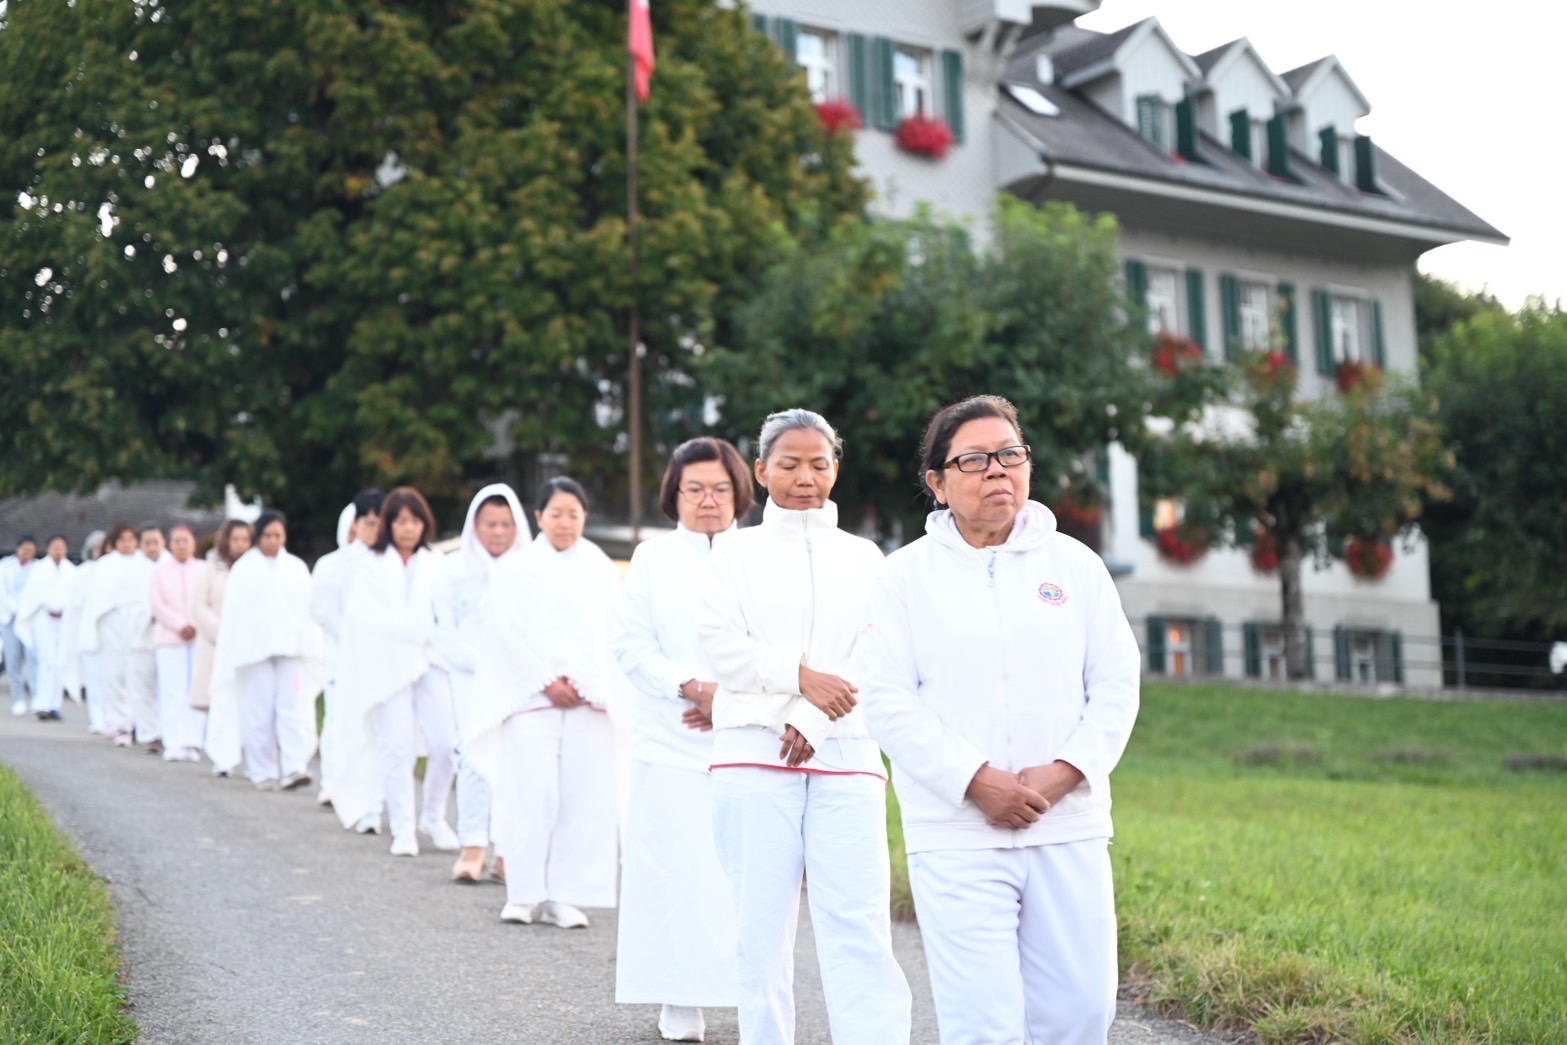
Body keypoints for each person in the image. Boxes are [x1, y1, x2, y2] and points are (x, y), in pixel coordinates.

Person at [858, 395, 1142, 1045]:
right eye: (975, 459)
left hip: (1063, 823)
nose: (997, 471)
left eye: (1009, 454)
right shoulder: (903, 578)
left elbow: (1115, 683)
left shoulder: (1075, 566)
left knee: (1080, 1012)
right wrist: (975, 779)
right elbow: (886, 698)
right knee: (981, 1023)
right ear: (936, 482)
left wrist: (1065, 772)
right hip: (957, 832)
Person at [698, 409, 911, 1045]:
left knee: (860, 920)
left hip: (846, 752)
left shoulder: (865, 556)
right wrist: (798, 678)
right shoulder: (733, 551)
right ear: (761, 471)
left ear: (836, 470)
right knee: (760, 928)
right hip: (753, 752)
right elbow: (719, 645)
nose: (804, 477)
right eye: (788, 465)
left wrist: (815, 712)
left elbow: (877, 650)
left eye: (819, 464)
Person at [613, 438, 751, 1043]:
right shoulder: (653, 558)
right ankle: (680, 998)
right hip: (671, 734)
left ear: (739, 492)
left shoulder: (757, 555)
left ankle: (753, 996)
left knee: (743, 874)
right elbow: (631, 645)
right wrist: (692, 689)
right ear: (674, 494)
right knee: (674, 868)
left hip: (749, 734)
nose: (708, 501)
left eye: (720, 489)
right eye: (694, 489)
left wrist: (732, 702)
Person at [468, 477, 627, 930]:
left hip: (587, 701)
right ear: (538, 517)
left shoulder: (599, 567)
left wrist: (585, 683)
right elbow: (505, 634)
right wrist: (547, 680)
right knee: (531, 794)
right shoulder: (517, 569)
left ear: (584, 517)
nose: (565, 522)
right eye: (556, 513)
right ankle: (523, 892)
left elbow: (613, 634)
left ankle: (567, 895)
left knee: (584, 799)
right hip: (530, 698)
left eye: (574, 514)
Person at [331, 487, 459, 857]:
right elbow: (363, 618)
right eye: (400, 520)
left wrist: (430, 640)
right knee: (397, 747)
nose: (407, 528)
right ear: (389, 523)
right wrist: (405, 635)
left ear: (425, 524)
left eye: (414, 520)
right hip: (387, 666)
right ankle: (403, 827)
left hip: (431, 661)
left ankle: (433, 816)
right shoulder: (370, 563)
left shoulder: (436, 563)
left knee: (445, 744)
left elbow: (446, 614)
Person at [433, 483, 529, 882]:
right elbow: (445, 630)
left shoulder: (530, 567)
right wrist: (483, 664)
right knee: (473, 755)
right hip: (468, 677)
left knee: (515, 761)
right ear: (475, 525)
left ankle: (508, 851)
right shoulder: (452, 568)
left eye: (506, 524)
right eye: (490, 524)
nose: (498, 532)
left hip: (519, 679)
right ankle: (473, 846)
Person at [205, 510, 322, 789]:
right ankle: (263, 770)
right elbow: (236, 614)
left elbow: (308, 609)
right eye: (267, 535)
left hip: (292, 649)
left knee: (292, 709)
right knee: (258, 713)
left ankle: (295, 767)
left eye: (278, 535)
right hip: (252, 652)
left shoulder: (295, 567)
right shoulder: (244, 569)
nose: (272, 541)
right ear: (258, 537)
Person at [311, 489, 383, 811]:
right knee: (338, 721)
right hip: (344, 656)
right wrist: (357, 648)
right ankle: (331, 783)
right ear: (356, 524)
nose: (375, 530)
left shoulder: (390, 563)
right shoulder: (332, 565)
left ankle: (372, 789)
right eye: (369, 523)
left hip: (382, 660)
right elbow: (327, 614)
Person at [190, 520, 252, 772]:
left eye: (245, 540)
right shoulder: (210, 569)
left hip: (248, 647)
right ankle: (222, 757)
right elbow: (199, 606)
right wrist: (223, 633)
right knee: (220, 699)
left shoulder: (253, 570)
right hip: (216, 643)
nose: (240, 545)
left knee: (248, 703)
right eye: (235, 539)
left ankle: (252, 758)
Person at [82, 524, 152, 747]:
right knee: (114, 674)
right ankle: (119, 721)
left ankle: (139, 723)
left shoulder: (146, 564)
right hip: (111, 623)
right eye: (122, 539)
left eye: (131, 539)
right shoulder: (105, 565)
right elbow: (97, 599)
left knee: (137, 674)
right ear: (114, 542)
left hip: (138, 625)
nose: (127, 544)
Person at [150, 523, 210, 762]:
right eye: (176, 541)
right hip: (169, 639)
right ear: (169, 544)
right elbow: (157, 604)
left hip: (199, 638)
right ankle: (173, 741)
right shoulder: (160, 571)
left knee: (196, 691)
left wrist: (195, 624)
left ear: (193, 543)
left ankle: (193, 742)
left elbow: (208, 601)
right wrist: (179, 625)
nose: (181, 545)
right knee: (172, 691)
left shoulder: (204, 570)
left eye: (185, 540)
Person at [15, 535, 78, 721]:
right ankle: (42, 703)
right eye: (55, 547)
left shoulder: (72, 571)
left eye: (61, 548)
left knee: (60, 661)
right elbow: (33, 596)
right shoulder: (40, 569)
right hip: (45, 618)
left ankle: (54, 704)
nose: (58, 551)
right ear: (49, 549)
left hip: (64, 620)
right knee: (46, 661)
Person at [61, 531, 108, 733]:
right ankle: (97, 719)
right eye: (97, 548)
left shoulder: (114, 570)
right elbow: (76, 604)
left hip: (111, 633)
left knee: (110, 680)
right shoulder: (84, 572)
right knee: (94, 679)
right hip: (88, 631)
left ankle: (113, 719)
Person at [128, 524, 166, 753]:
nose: (152, 548)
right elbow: (127, 604)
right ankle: (149, 733)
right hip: (140, 637)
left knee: (169, 689)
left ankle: (166, 731)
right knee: (142, 689)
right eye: (147, 543)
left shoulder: (171, 566)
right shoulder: (133, 569)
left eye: (156, 542)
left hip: (169, 636)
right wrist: (150, 613)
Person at [2, 534, 39, 714]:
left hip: (31, 619)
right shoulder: (5, 567)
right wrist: (16, 609)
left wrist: (27, 611)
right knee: (13, 659)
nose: (27, 554)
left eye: (31, 551)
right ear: (18, 549)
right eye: (25, 550)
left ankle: (38, 696)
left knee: (33, 659)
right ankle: (19, 698)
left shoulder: (39, 568)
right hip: (11, 618)